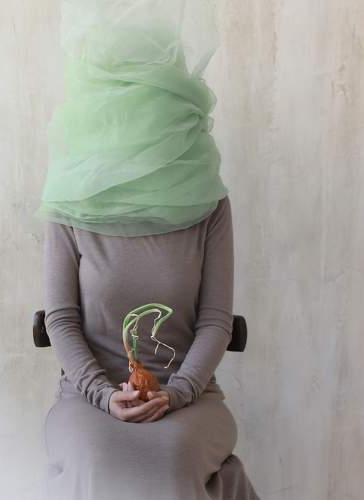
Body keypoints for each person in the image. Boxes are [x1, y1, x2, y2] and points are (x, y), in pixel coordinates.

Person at [36, 1, 261, 498]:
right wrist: (103, 395)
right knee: (100, 460)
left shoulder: (208, 201)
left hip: (190, 397)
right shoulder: (70, 200)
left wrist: (176, 393)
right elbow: (61, 319)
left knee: (171, 460)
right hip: (86, 399)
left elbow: (215, 321)